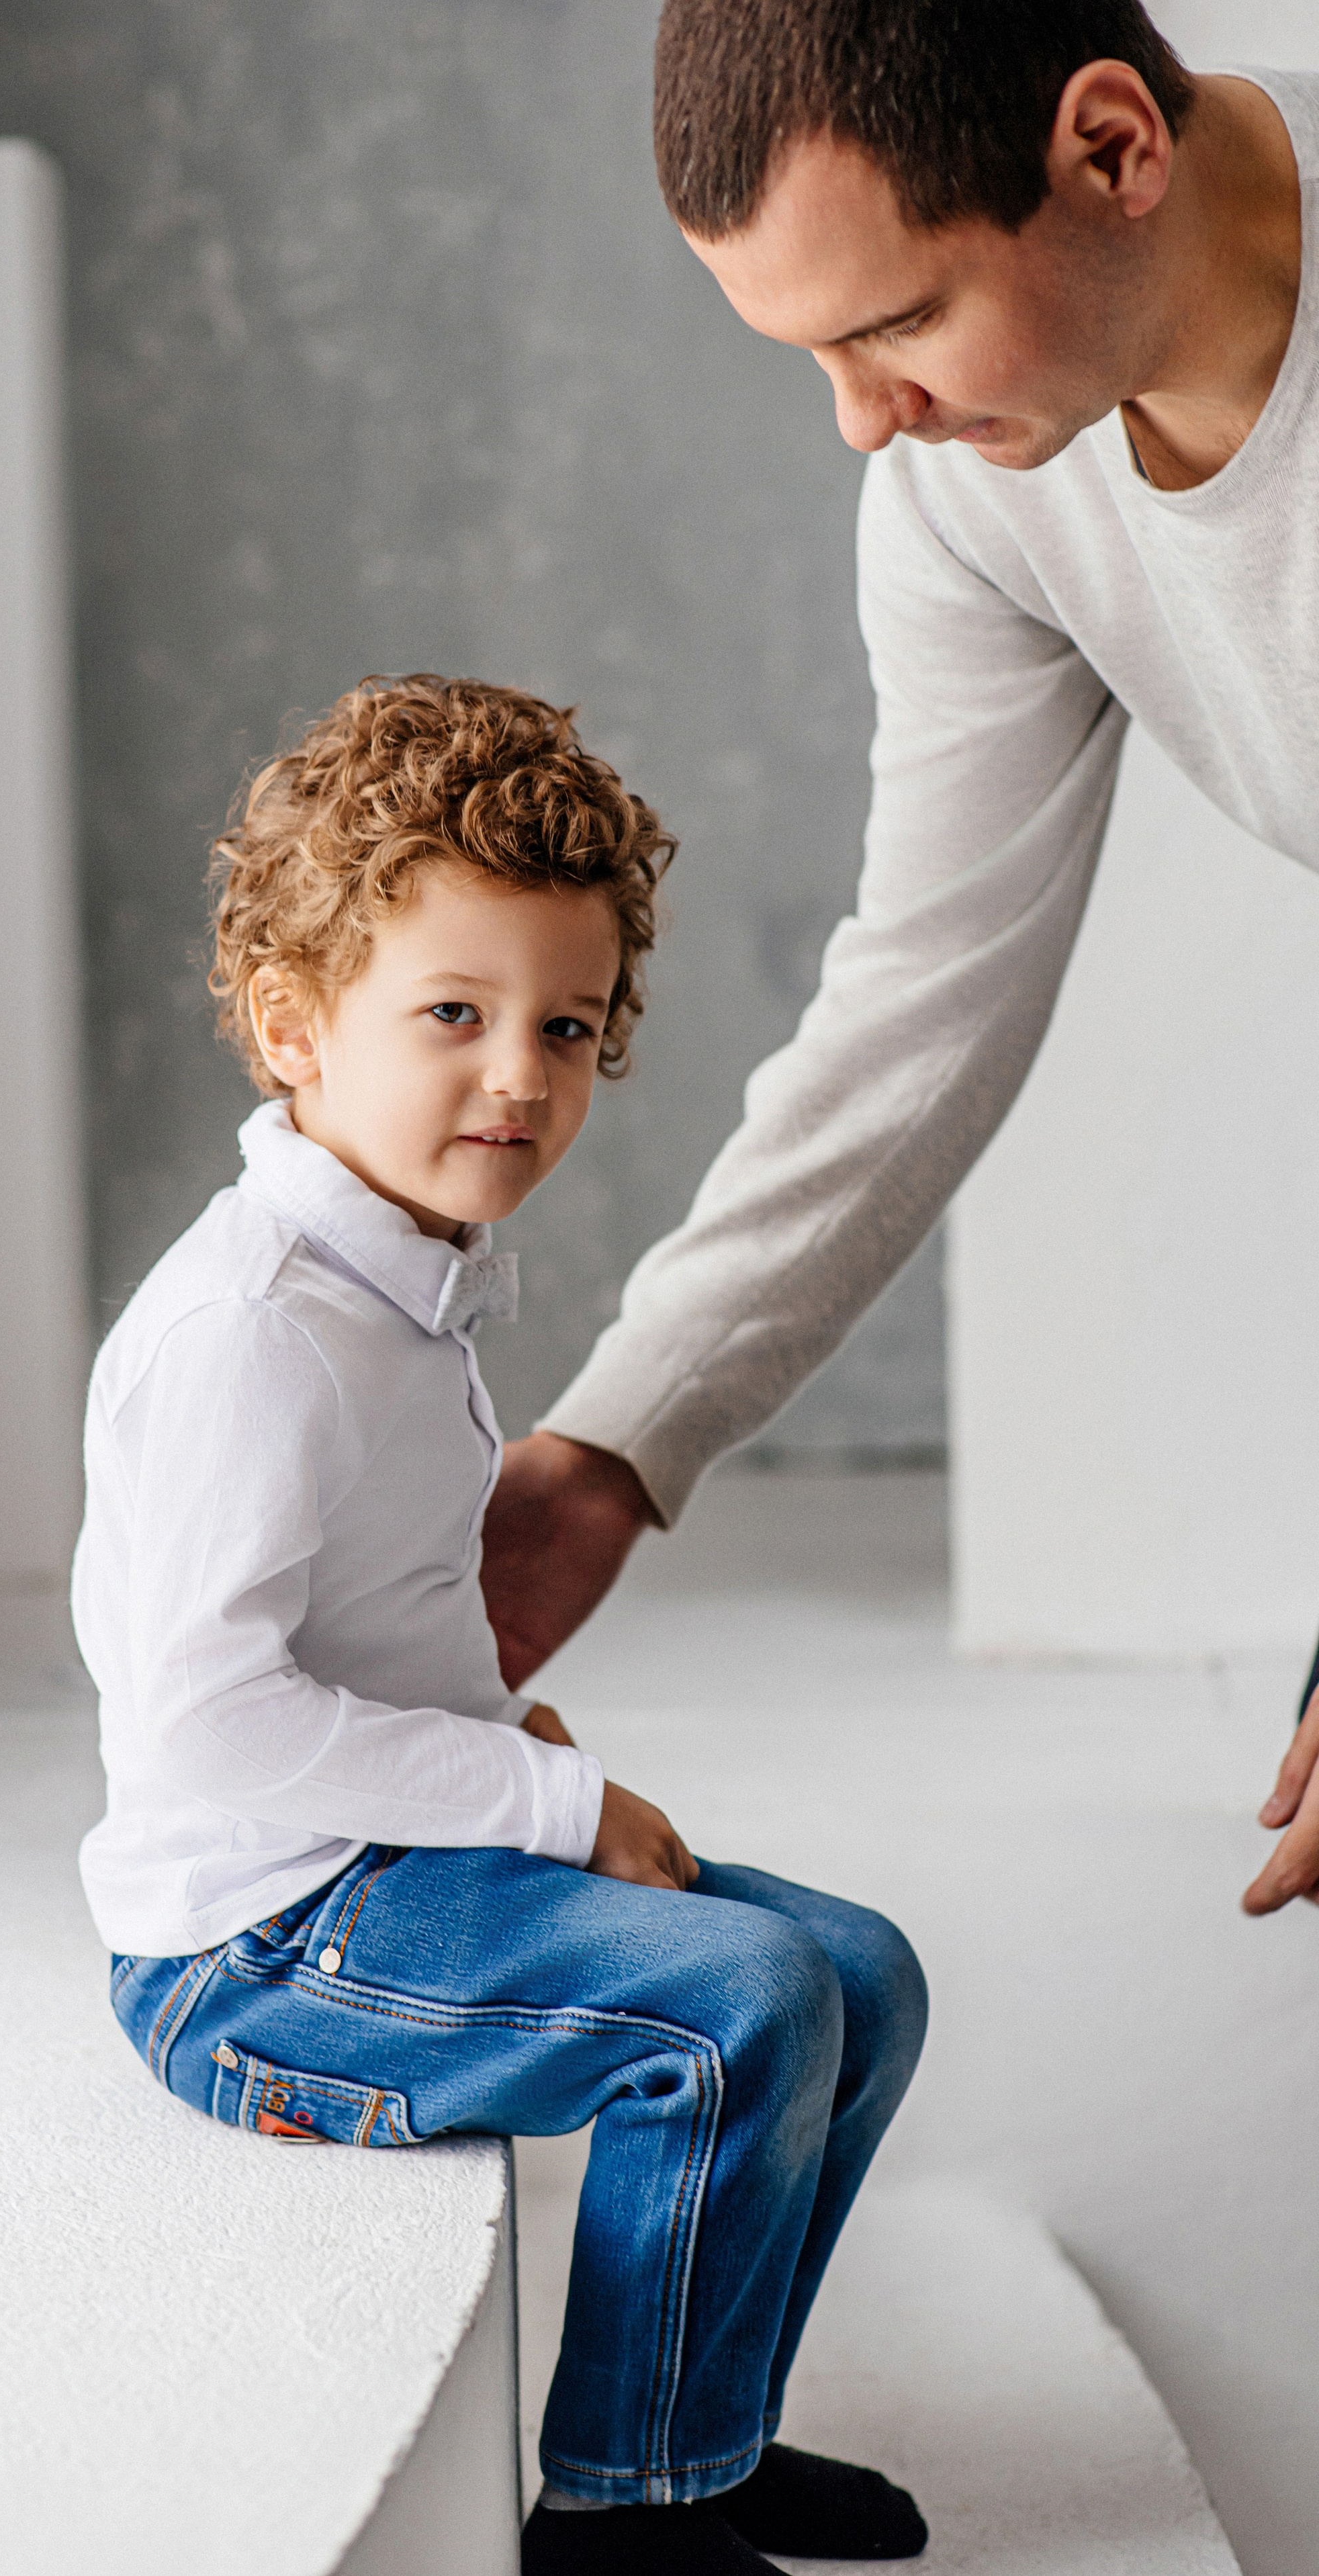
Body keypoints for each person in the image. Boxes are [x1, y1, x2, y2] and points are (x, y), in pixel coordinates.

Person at [72, 674, 930, 2573]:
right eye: (450, 1016)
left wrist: (493, 1736)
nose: (520, 1078)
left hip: (375, 1860)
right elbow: (207, 1721)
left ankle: (693, 2436)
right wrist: (547, 1804)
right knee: (742, 2007)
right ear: (295, 1030)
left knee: (861, 1973)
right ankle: (624, 2525)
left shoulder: (400, 1280)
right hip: (256, 1947)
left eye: (565, 1022)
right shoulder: (259, 1336)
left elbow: (364, 1626)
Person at [483, 0, 1319, 1919]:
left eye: (898, 324)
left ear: (1112, 150)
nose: (865, 419)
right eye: (814, 354)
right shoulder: (968, 491)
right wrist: (620, 1437)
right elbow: (926, 990)